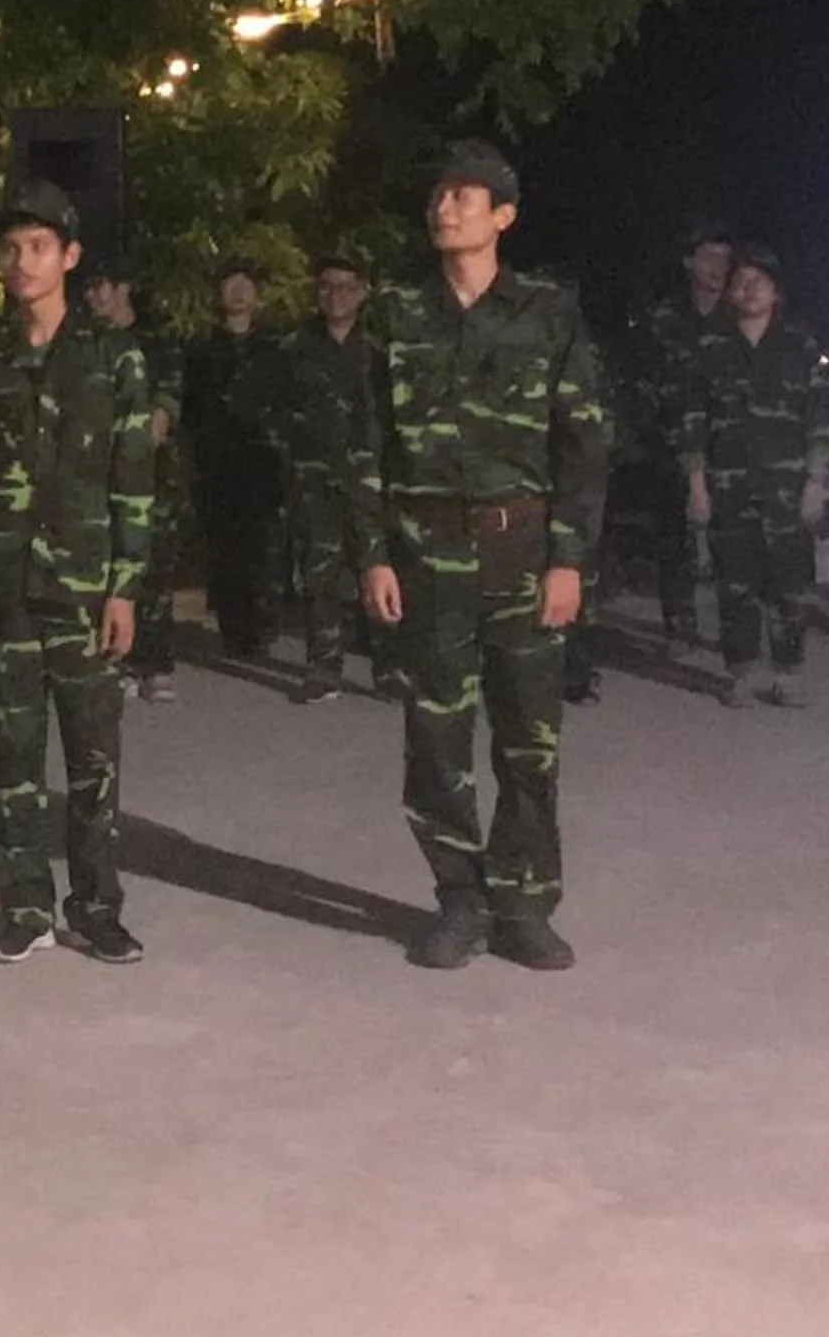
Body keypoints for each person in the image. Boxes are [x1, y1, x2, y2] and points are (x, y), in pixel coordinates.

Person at [350, 144, 607, 973]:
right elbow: (364, 444)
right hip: (426, 554)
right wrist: (373, 554)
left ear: (504, 215)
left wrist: (568, 559)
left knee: (529, 740)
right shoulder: (395, 314)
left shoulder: (547, 312)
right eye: (439, 193)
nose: (446, 207)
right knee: (435, 739)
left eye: (466, 195)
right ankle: (458, 898)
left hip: (521, 550)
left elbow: (583, 443)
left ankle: (525, 902)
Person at [0, 183, 154, 964]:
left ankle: (95, 907)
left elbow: (134, 479)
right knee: (12, 761)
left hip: (87, 589)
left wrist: (127, 585)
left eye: (37, 246)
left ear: (69, 256)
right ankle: (24, 906)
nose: (20, 261)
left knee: (93, 761)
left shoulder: (114, 355)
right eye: (10, 248)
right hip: (3, 591)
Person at [683, 242, 829, 708]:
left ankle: (787, 672)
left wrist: (816, 481)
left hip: (787, 488)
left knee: (790, 583)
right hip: (729, 485)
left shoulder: (799, 347)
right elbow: (692, 419)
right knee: (735, 583)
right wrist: (696, 484)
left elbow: (821, 418)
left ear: (776, 292)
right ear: (731, 293)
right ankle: (742, 671)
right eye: (741, 283)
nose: (749, 290)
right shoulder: (711, 348)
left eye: (759, 282)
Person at [287, 247, 395, 701]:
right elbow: (260, 405)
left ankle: (390, 669)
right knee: (319, 574)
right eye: (327, 287)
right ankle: (324, 667)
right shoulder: (294, 348)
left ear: (363, 293)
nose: (336, 296)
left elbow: (396, 414)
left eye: (347, 287)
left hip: (369, 480)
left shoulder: (378, 352)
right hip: (313, 478)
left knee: (380, 571)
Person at [79, 258, 185, 700]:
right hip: (98, 473)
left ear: (124, 288)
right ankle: (113, 659)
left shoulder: (158, 340)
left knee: (154, 567)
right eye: (88, 288)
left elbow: (162, 414)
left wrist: (133, 449)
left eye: (102, 285)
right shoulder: (84, 341)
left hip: (152, 474)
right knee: (104, 565)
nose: (93, 296)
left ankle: (155, 662)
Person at [182, 260, 297, 659]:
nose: (237, 292)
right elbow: (190, 408)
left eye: (245, 285)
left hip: (264, 461)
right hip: (217, 462)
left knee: (264, 548)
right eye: (230, 284)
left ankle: (260, 628)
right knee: (224, 549)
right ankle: (234, 630)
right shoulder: (201, 349)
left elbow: (289, 403)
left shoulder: (276, 348)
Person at [634, 228, 735, 639]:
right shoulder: (666, 317)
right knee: (673, 540)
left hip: (729, 447)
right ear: (689, 263)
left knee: (734, 541)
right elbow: (645, 378)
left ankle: (737, 632)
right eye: (709, 257)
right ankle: (680, 623)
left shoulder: (739, 315)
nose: (719, 268)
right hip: (671, 445)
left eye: (725, 259)